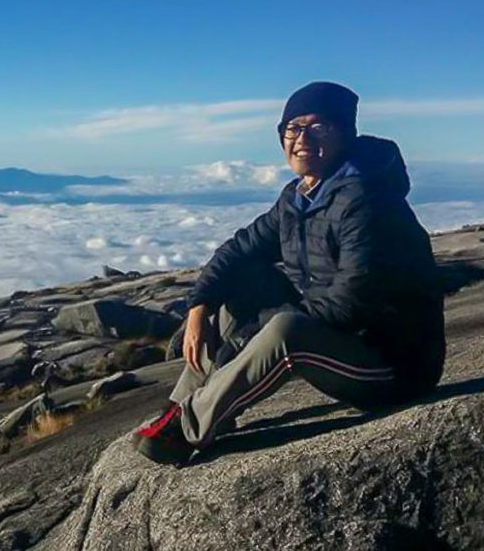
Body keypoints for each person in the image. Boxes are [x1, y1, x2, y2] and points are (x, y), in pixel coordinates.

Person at [133, 81, 446, 466]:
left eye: (319, 127)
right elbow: (239, 248)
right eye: (292, 128)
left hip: (391, 365)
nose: (301, 138)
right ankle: (180, 406)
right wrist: (199, 306)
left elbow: (351, 304)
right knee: (244, 282)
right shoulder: (299, 196)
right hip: (343, 339)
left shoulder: (367, 200)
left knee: (286, 333)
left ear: (345, 134)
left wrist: (251, 336)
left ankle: (186, 429)